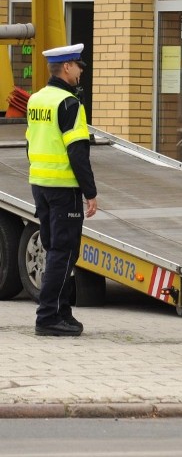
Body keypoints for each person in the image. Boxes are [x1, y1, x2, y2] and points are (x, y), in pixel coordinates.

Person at [26, 43, 98, 337]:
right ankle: (47, 317)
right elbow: (78, 152)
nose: (81, 70)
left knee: (55, 248)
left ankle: (61, 311)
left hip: (40, 184)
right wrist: (90, 192)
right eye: (79, 65)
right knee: (63, 252)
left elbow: (30, 142)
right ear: (67, 67)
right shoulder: (69, 104)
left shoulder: (37, 99)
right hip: (63, 187)